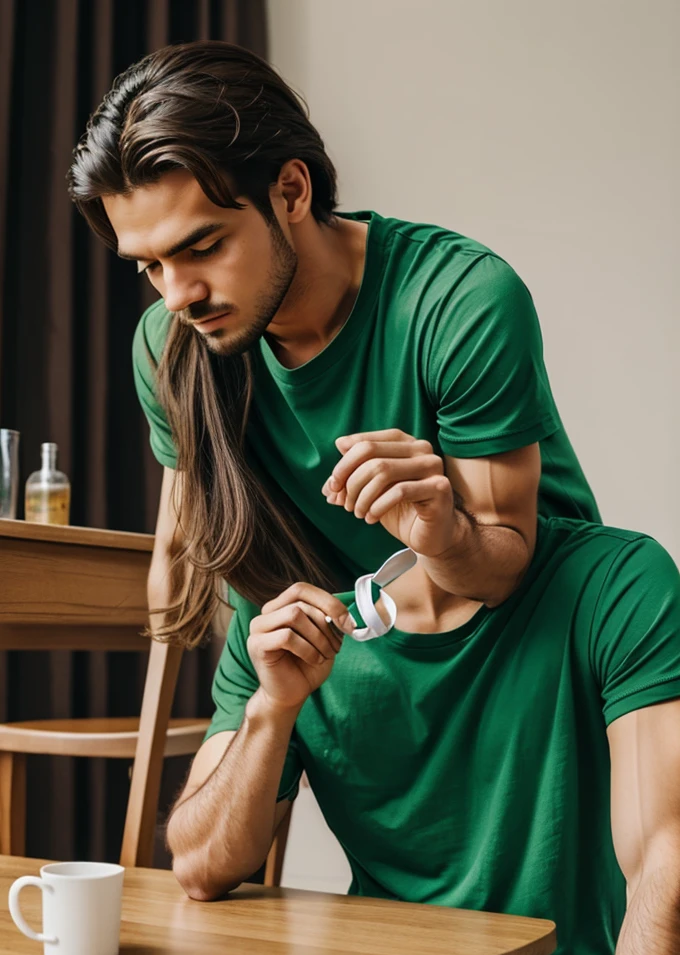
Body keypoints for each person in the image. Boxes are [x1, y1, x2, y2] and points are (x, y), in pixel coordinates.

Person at [67, 41, 600, 660]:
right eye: (149, 267)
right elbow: (175, 576)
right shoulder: (169, 346)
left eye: (204, 247)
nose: (178, 296)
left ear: (291, 191)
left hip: (534, 640)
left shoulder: (461, 300)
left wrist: (445, 533)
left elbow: (500, 573)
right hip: (353, 659)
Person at [165, 514, 680, 955]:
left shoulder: (617, 578)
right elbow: (202, 867)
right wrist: (271, 710)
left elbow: (668, 862)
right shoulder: (276, 612)